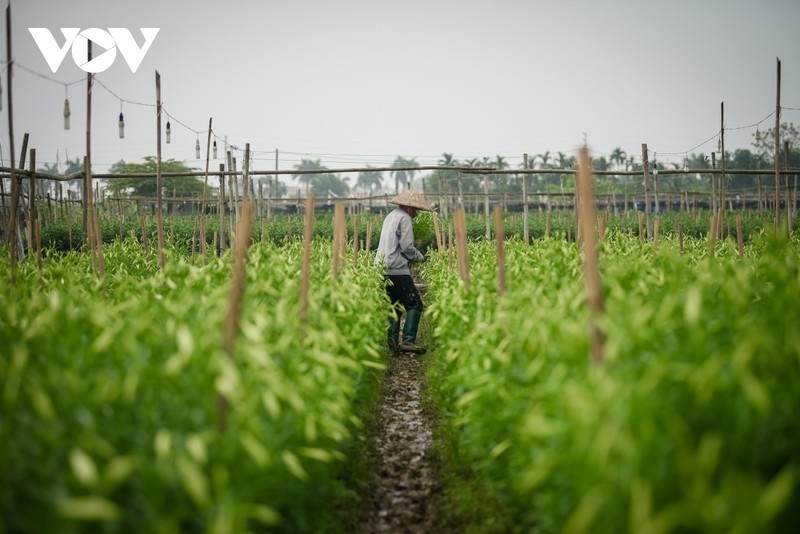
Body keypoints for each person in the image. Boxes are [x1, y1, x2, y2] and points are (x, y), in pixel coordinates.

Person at [374, 189, 435, 355]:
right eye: (415, 210)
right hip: (397, 269)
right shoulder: (405, 218)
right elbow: (407, 247)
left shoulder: (391, 216)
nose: (416, 214)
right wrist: (420, 257)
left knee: (394, 306)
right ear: (409, 208)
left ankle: (392, 345)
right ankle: (408, 341)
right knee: (415, 303)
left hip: (382, 268)